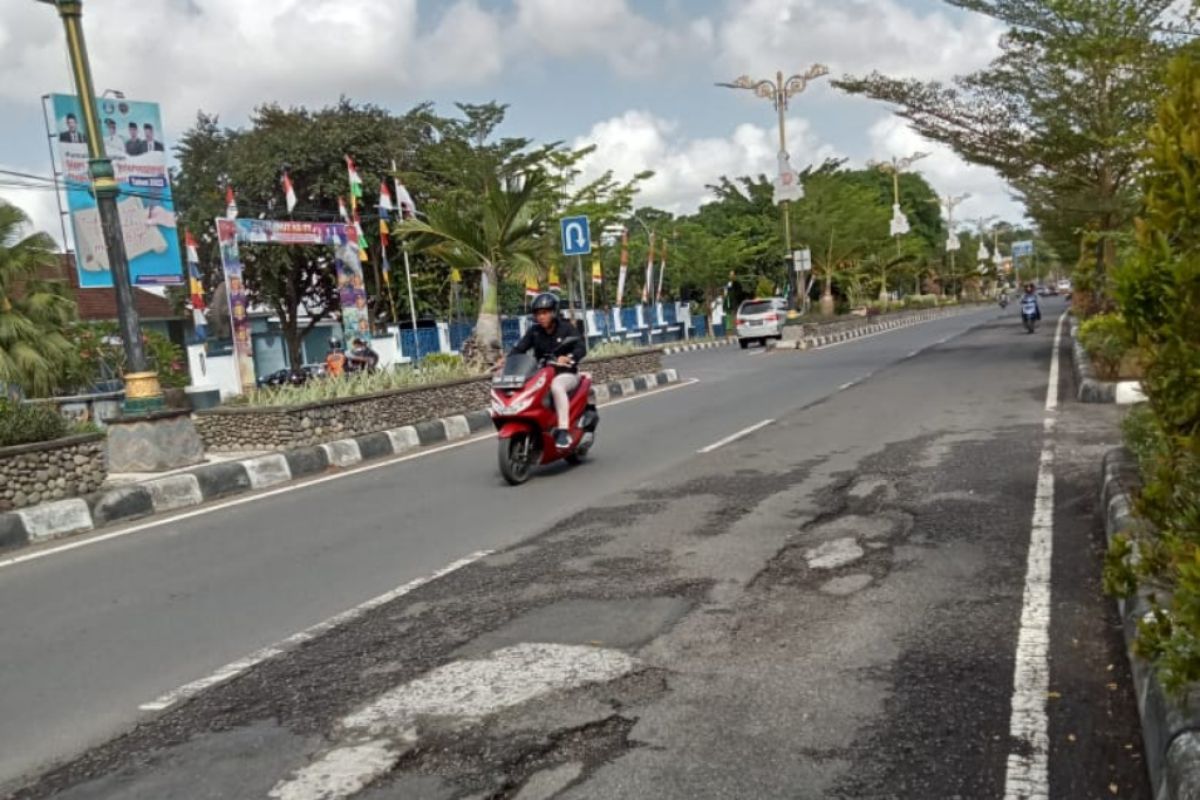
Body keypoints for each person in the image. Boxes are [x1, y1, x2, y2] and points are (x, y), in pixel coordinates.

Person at [504, 293, 586, 450]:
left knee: (557, 386)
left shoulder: (566, 328)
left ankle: (563, 431)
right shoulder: (534, 332)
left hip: (566, 374)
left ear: (553, 312)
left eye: (545, 312)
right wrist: (506, 361)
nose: (541, 317)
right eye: (538, 313)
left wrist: (569, 357)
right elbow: (520, 348)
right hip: (542, 374)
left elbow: (581, 347)